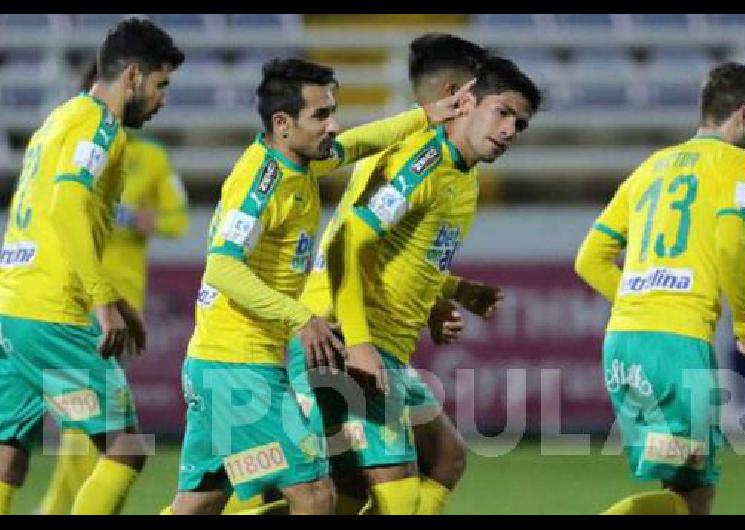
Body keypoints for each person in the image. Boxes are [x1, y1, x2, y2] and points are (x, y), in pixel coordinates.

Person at [163, 57, 467, 515]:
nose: (334, 124)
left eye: (333, 110)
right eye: (321, 115)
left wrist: (425, 115)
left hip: (221, 365)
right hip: (239, 368)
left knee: (198, 504)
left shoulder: (300, 166)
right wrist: (301, 317)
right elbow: (222, 267)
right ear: (282, 123)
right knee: (315, 497)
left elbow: (361, 141)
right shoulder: (261, 183)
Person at [287, 55, 542, 515]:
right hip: (344, 336)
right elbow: (349, 242)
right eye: (502, 113)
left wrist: (448, 293)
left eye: (519, 124)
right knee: (395, 496)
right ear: (465, 102)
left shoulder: (465, 180)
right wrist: (360, 344)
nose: (509, 130)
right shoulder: (422, 162)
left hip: (384, 347)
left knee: (444, 458)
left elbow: (403, 257)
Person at [0, 18, 183, 515]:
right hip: (53, 315)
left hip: (14, 310)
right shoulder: (99, 126)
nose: (163, 99)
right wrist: (103, 300)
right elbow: (66, 207)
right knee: (125, 448)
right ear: (133, 77)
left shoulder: (57, 120)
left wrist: (116, 299)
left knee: (8, 455)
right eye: (161, 85)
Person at [574, 62, 745, 515]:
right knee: (697, 487)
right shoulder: (743, 164)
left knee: (685, 488)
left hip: (623, 344)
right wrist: (744, 322)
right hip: (677, 346)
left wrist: (640, 299)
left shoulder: (651, 166)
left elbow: (589, 258)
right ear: (742, 115)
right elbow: (730, 241)